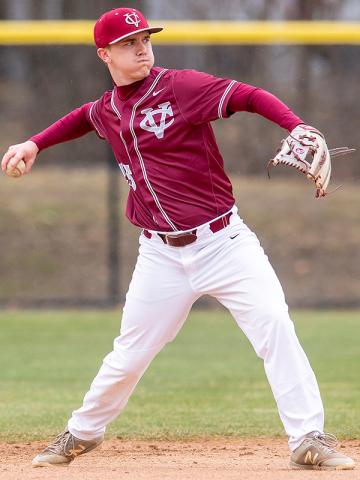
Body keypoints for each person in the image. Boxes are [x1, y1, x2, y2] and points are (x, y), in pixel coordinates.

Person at [1, 7, 355, 471]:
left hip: (224, 242)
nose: (142, 48)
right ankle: (81, 433)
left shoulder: (180, 87)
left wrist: (295, 126)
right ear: (105, 53)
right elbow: (83, 117)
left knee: (274, 326)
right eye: (129, 43)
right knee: (130, 353)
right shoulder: (109, 109)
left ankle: (308, 437)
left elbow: (246, 94)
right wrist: (34, 144)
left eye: (145, 39)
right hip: (160, 256)